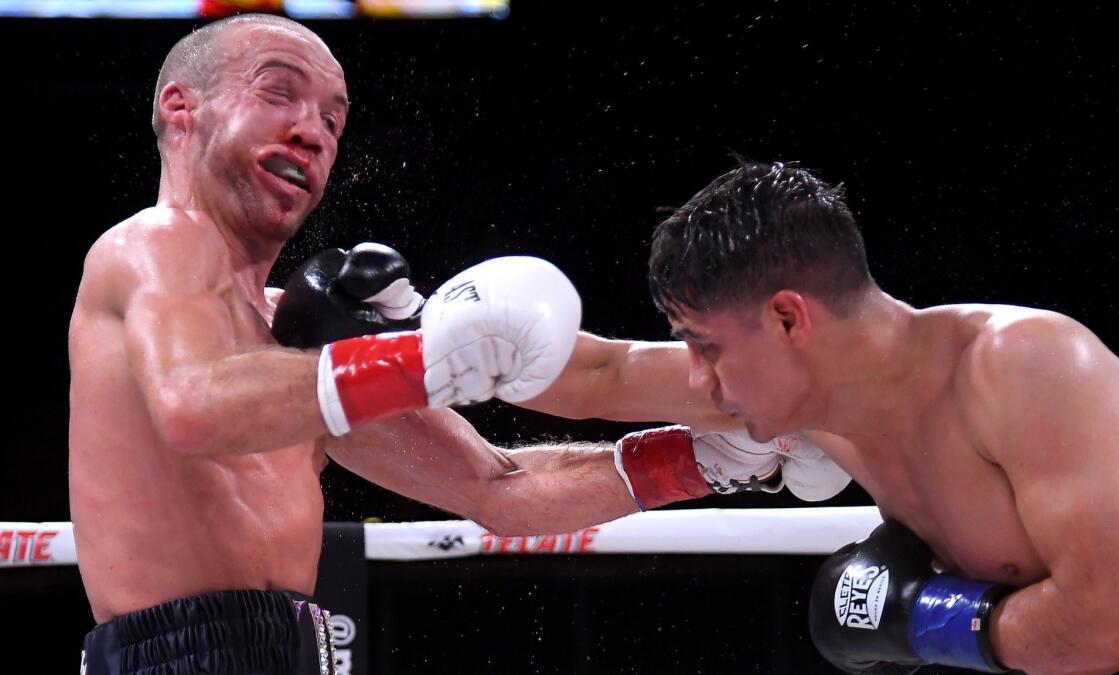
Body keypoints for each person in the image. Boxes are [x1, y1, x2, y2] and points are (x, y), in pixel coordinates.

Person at [68, 15, 849, 674]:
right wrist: (425, 359)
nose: (312, 131)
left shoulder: (298, 349)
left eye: (334, 119)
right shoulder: (152, 244)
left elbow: (495, 487)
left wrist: (705, 461)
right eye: (279, 93)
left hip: (300, 646)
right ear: (181, 107)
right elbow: (194, 410)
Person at [645, 160, 1119, 674]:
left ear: (788, 319)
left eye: (707, 346)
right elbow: (605, 374)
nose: (699, 379)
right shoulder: (813, 403)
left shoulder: (1027, 362)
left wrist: (919, 619)